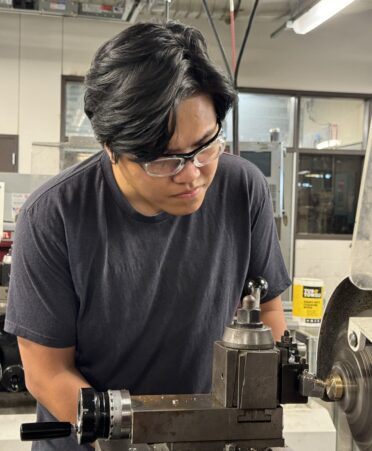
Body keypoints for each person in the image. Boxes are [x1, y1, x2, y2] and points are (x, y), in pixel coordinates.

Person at [5, 21, 290, 450]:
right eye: (166, 160)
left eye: (206, 146)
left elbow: (269, 315)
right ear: (111, 147)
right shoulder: (54, 216)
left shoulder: (241, 187)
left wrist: (254, 408)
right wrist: (126, 433)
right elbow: (47, 372)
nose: (193, 176)